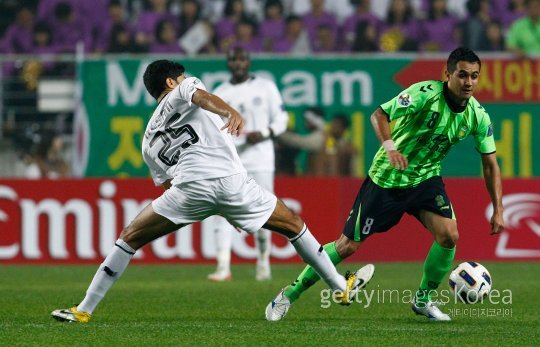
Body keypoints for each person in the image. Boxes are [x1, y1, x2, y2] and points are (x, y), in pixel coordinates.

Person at [51, 59, 372, 323]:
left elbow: (164, 185)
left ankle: (83, 310)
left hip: (187, 190)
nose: (188, 80)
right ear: (170, 83)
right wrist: (228, 112)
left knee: (129, 237)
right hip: (231, 182)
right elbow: (200, 96)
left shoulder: (147, 138)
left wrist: (204, 204)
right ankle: (339, 287)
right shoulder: (184, 88)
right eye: (183, 77)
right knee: (294, 226)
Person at [265, 47, 505, 322]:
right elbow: (379, 115)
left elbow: (490, 164)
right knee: (347, 247)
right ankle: (289, 295)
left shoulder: (478, 116)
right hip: (387, 179)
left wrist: (498, 208)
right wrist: (390, 148)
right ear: (447, 74)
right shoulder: (424, 94)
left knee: (449, 235)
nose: (469, 83)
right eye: (463, 75)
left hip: (425, 179)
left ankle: (423, 301)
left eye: (474, 76)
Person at [207, 47, 288, 282]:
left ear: (249, 61)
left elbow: (282, 118)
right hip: (231, 162)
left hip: (261, 159)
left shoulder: (265, 87)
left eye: (242, 59)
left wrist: (265, 133)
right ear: (228, 63)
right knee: (222, 211)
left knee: (263, 211)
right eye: (233, 59)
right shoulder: (220, 92)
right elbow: (214, 129)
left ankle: (263, 262)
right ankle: (223, 267)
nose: (238, 63)